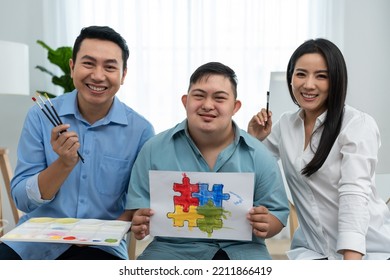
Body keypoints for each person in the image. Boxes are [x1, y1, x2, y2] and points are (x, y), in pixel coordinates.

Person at [0, 26, 154, 260]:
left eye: (110, 67)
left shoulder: (141, 130)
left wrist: (102, 233)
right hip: (33, 243)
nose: (98, 75)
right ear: (72, 68)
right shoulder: (40, 116)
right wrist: (64, 163)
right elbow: (22, 199)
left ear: (123, 75)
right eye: (89, 63)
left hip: (102, 247)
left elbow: (138, 201)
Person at [124, 62, 289, 260]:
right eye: (199, 96)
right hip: (170, 251)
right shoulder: (153, 149)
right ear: (185, 101)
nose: (208, 105)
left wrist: (266, 223)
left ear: (235, 107)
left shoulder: (258, 153)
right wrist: (140, 220)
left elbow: (277, 214)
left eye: (219, 98)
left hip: (244, 252)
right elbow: (137, 208)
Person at [248, 38, 390, 260]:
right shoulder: (286, 124)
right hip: (313, 251)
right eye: (301, 74)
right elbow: (253, 173)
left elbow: (353, 195)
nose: (309, 85)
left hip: (368, 253)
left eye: (321, 76)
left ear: (336, 81)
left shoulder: (357, 124)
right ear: (291, 77)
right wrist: (254, 140)